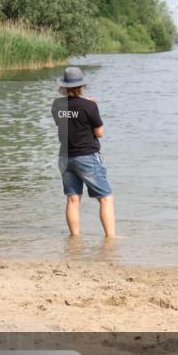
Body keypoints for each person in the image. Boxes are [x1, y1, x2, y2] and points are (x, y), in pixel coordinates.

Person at [50, 67, 116, 237]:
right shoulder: (90, 106)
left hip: (65, 158)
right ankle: (110, 237)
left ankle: (75, 237)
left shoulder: (57, 105)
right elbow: (99, 133)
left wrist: (85, 102)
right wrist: (89, 103)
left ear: (64, 86)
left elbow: (71, 110)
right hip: (86, 156)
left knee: (72, 198)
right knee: (106, 198)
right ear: (82, 85)